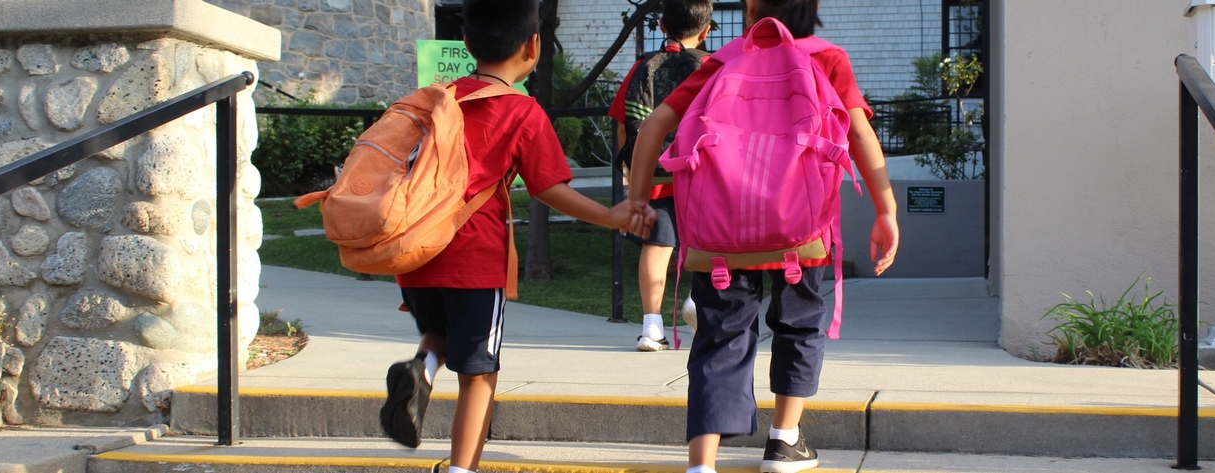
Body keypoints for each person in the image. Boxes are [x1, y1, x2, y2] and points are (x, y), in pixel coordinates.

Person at [378, 2, 655, 473]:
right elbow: (550, 190)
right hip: (473, 259)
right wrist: (611, 216)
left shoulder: (435, 97)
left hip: (416, 254)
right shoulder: (521, 111)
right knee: (479, 373)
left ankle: (420, 368)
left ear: (466, 44)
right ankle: (463, 469)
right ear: (533, 46)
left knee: (442, 331)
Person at [625, 0, 901, 472]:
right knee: (800, 326)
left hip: (723, 231)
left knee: (718, 336)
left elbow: (653, 126)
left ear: (751, 7)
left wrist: (637, 199)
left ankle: (701, 463)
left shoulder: (724, 60)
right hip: (801, 226)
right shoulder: (826, 57)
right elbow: (859, 135)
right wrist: (886, 209)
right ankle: (784, 442)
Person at [608, 0, 714, 352]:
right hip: (701, 171)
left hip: (654, 174)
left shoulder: (642, 67)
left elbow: (624, 122)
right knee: (708, 241)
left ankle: (651, 327)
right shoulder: (711, 66)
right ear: (706, 30)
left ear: (663, 25)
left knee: (657, 245)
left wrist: (633, 169)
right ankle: (698, 302)